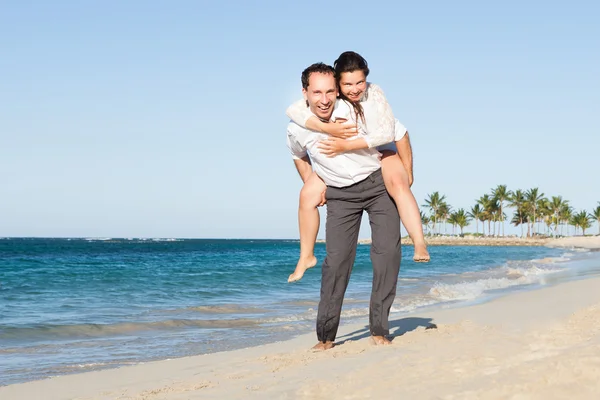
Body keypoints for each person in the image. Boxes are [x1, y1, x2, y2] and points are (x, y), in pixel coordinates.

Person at [286, 51, 429, 283]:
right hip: (337, 170)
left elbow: (399, 134)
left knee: (400, 185)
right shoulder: (317, 113)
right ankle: (306, 256)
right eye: (347, 84)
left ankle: (419, 242)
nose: (354, 89)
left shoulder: (364, 104)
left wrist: (408, 172)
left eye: (359, 82)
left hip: (382, 154)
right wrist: (327, 132)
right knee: (306, 197)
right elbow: (294, 119)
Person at [286, 62, 401, 349]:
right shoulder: (296, 127)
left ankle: (380, 329)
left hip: (376, 185)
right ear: (305, 93)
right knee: (336, 263)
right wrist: (314, 181)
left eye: (329, 92)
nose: (324, 99)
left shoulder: (351, 109)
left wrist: (407, 172)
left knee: (386, 254)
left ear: (337, 91)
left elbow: (399, 131)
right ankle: (325, 337)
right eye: (316, 92)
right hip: (339, 195)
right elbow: (298, 155)